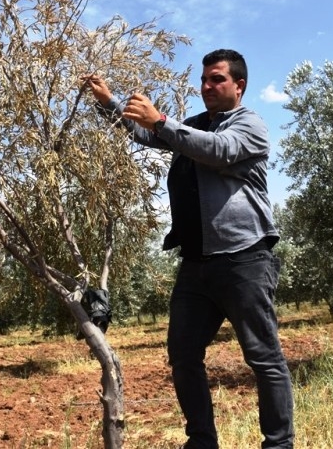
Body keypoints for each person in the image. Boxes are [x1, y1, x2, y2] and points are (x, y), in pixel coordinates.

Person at [82, 49, 294, 449]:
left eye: (217, 79)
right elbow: (146, 134)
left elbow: (217, 149)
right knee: (182, 355)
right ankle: (201, 441)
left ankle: (279, 444)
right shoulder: (194, 125)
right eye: (204, 79)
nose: (207, 86)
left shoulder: (250, 125)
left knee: (263, 357)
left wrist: (161, 121)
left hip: (244, 259)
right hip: (196, 265)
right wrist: (108, 101)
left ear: (239, 85)